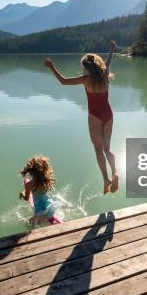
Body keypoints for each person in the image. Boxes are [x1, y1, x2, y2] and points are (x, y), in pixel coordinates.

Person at [44, 41, 118, 194]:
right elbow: (107, 63)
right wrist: (111, 50)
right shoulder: (104, 75)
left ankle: (106, 179)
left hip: (95, 116)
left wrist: (51, 67)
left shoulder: (86, 79)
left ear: (86, 67)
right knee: (107, 149)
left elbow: (63, 81)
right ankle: (115, 172)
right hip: (108, 115)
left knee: (98, 149)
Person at [19, 155, 62, 225]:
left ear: (30, 171)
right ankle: (60, 222)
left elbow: (26, 198)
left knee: (29, 223)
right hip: (50, 205)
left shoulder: (28, 184)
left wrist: (22, 194)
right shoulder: (44, 180)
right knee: (51, 219)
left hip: (40, 211)